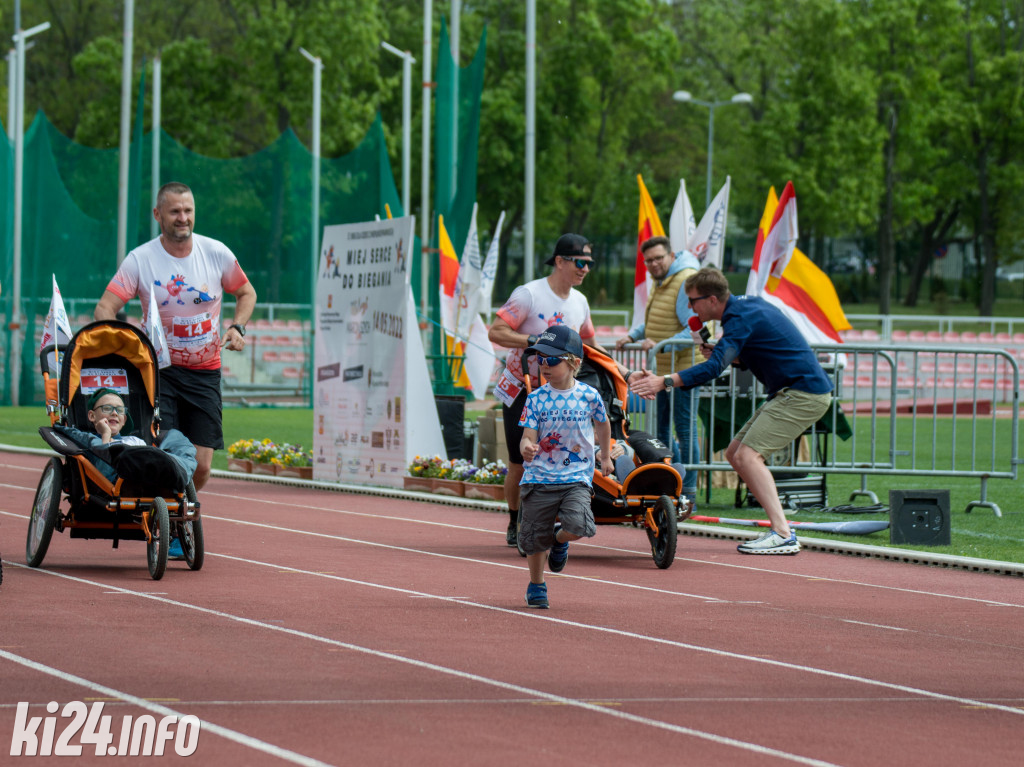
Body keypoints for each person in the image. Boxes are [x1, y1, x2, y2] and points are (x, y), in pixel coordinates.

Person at [629, 267, 833, 555]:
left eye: (693, 300)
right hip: (794, 391)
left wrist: (664, 381)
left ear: (712, 300)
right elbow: (753, 354)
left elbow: (713, 369)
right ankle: (782, 529)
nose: (690, 307)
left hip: (803, 393)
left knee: (748, 456)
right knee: (735, 452)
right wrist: (729, 357)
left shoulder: (738, 316)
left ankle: (783, 532)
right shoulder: (743, 308)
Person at [94, 182, 257, 493]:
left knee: (202, 466)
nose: (183, 217)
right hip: (160, 373)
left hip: (205, 373)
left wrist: (238, 327)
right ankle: (167, 530)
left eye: (188, 210)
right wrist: (121, 345)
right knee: (165, 456)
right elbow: (105, 307)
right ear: (158, 214)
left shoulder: (216, 253)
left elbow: (246, 292)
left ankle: (174, 516)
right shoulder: (141, 259)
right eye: (175, 211)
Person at [487, 234, 620, 549]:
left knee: (559, 455)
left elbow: (588, 343)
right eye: (580, 262)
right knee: (520, 460)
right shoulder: (529, 294)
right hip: (523, 387)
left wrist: (620, 369)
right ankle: (514, 519)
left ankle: (557, 520)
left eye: (589, 263)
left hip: (561, 391)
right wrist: (534, 341)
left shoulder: (580, 301)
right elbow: (496, 330)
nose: (586, 269)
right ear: (560, 260)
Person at [517, 325, 611, 608]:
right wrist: (527, 448)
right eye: (540, 359)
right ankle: (536, 585)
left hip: (576, 476)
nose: (544, 365)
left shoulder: (589, 395)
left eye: (552, 359)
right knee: (534, 537)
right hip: (539, 477)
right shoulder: (535, 398)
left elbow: (603, 425)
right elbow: (527, 436)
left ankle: (560, 541)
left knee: (580, 525)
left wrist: (605, 456)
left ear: (574, 363)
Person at [614, 236, 702, 507]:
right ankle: (667, 484)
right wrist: (632, 335)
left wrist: (661, 348)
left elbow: (693, 330)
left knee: (685, 432)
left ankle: (688, 491)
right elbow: (655, 321)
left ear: (672, 256)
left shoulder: (685, 280)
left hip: (684, 371)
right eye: (648, 260)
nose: (653, 264)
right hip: (661, 374)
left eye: (658, 258)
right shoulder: (662, 280)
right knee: (661, 431)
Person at [57, 388, 197, 485]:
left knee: (175, 438)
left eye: (119, 410)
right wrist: (106, 435)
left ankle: (179, 469)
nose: (114, 413)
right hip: (120, 481)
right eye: (107, 408)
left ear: (124, 420)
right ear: (92, 416)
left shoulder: (134, 440)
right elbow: (104, 473)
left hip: (155, 472)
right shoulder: (89, 443)